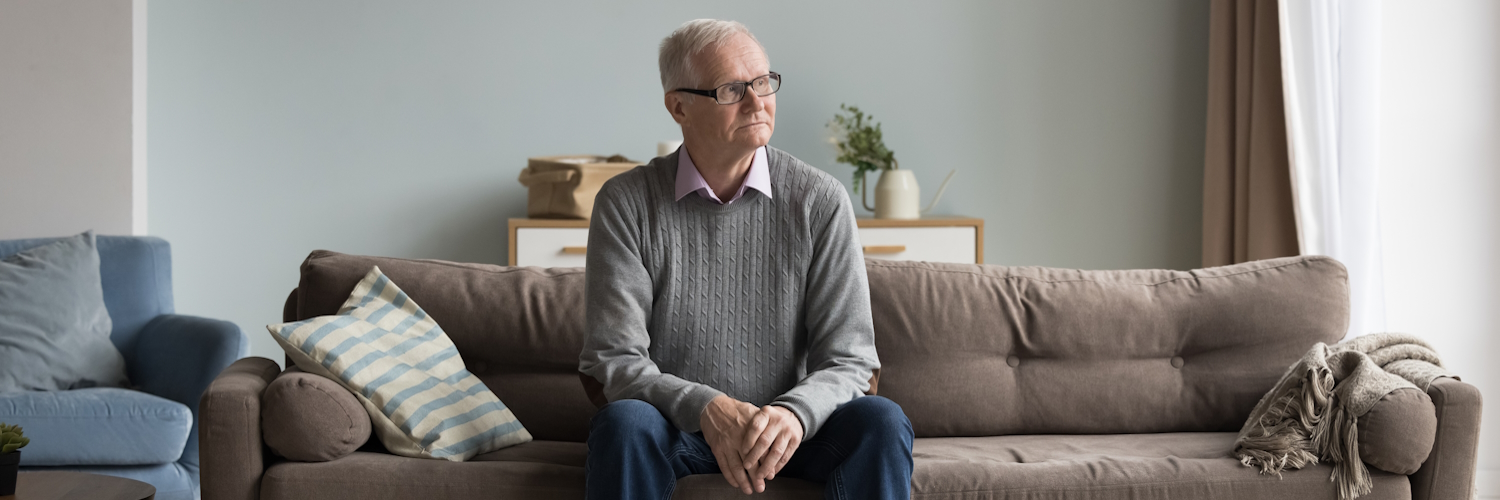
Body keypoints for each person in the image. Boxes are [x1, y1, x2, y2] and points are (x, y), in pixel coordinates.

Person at [577, 18, 914, 500]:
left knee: (880, 420)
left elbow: (851, 360)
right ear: (679, 107)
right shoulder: (626, 203)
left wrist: (793, 413)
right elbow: (614, 358)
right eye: (733, 89)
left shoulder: (820, 200)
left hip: (796, 435)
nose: (758, 101)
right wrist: (706, 407)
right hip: (682, 431)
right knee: (624, 422)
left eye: (763, 82)